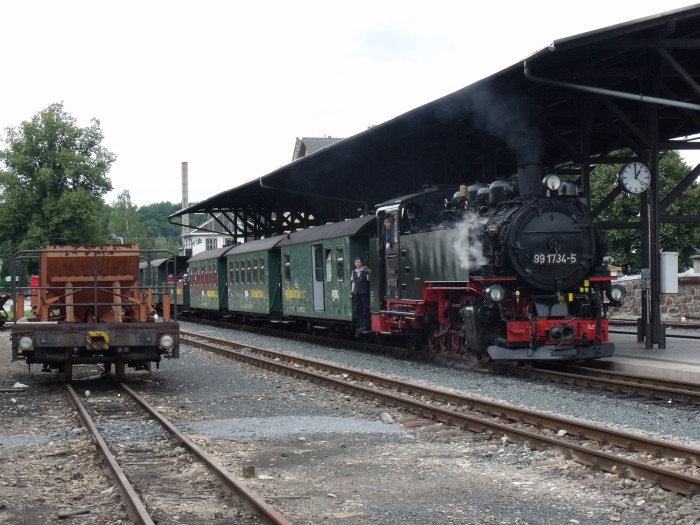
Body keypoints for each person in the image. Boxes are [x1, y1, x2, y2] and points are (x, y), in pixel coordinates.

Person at [351, 256, 370, 331]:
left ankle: (365, 325)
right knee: (358, 309)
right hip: (356, 292)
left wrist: (368, 273)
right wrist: (352, 292)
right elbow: (353, 283)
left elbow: (369, 280)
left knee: (364, 309)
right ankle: (360, 325)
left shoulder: (365, 270)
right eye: (356, 262)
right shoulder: (354, 272)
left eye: (359, 262)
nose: (357, 264)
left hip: (364, 291)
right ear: (354, 263)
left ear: (361, 262)